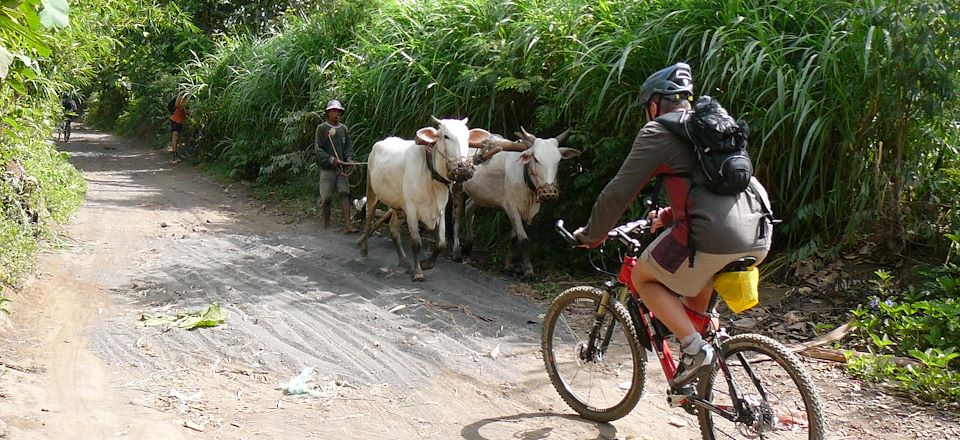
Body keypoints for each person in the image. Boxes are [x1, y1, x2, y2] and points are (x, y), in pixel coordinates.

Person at [573, 62, 774, 387]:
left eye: (645, 108)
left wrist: (593, 233)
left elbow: (618, 192)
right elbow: (712, 186)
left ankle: (695, 351)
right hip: (759, 230)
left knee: (643, 277)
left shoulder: (659, 131)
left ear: (655, 104)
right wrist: (666, 215)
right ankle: (696, 380)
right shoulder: (708, 128)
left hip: (711, 237)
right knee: (696, 295)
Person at [314, 99, 356, 233]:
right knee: (326, 198)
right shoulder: (322, 129)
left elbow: (348, 146)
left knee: (345, 194)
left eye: (338, 111)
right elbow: (318, 149)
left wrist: (349, 158)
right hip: (327, 169)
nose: (336, 114)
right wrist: (332, 159)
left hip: (341, 170)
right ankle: (326, 226)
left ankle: (348, 225)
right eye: (333, 111)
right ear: (328, 113)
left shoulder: (343, 129)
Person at [169, 92, 188, 157]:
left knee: (177, 136)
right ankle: (174, 153)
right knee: (175, 135)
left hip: (180, 120)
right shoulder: (180, 97)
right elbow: (176, 105)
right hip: (175, 119)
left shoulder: (186, 98)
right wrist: (183, 105)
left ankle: (176, 151)